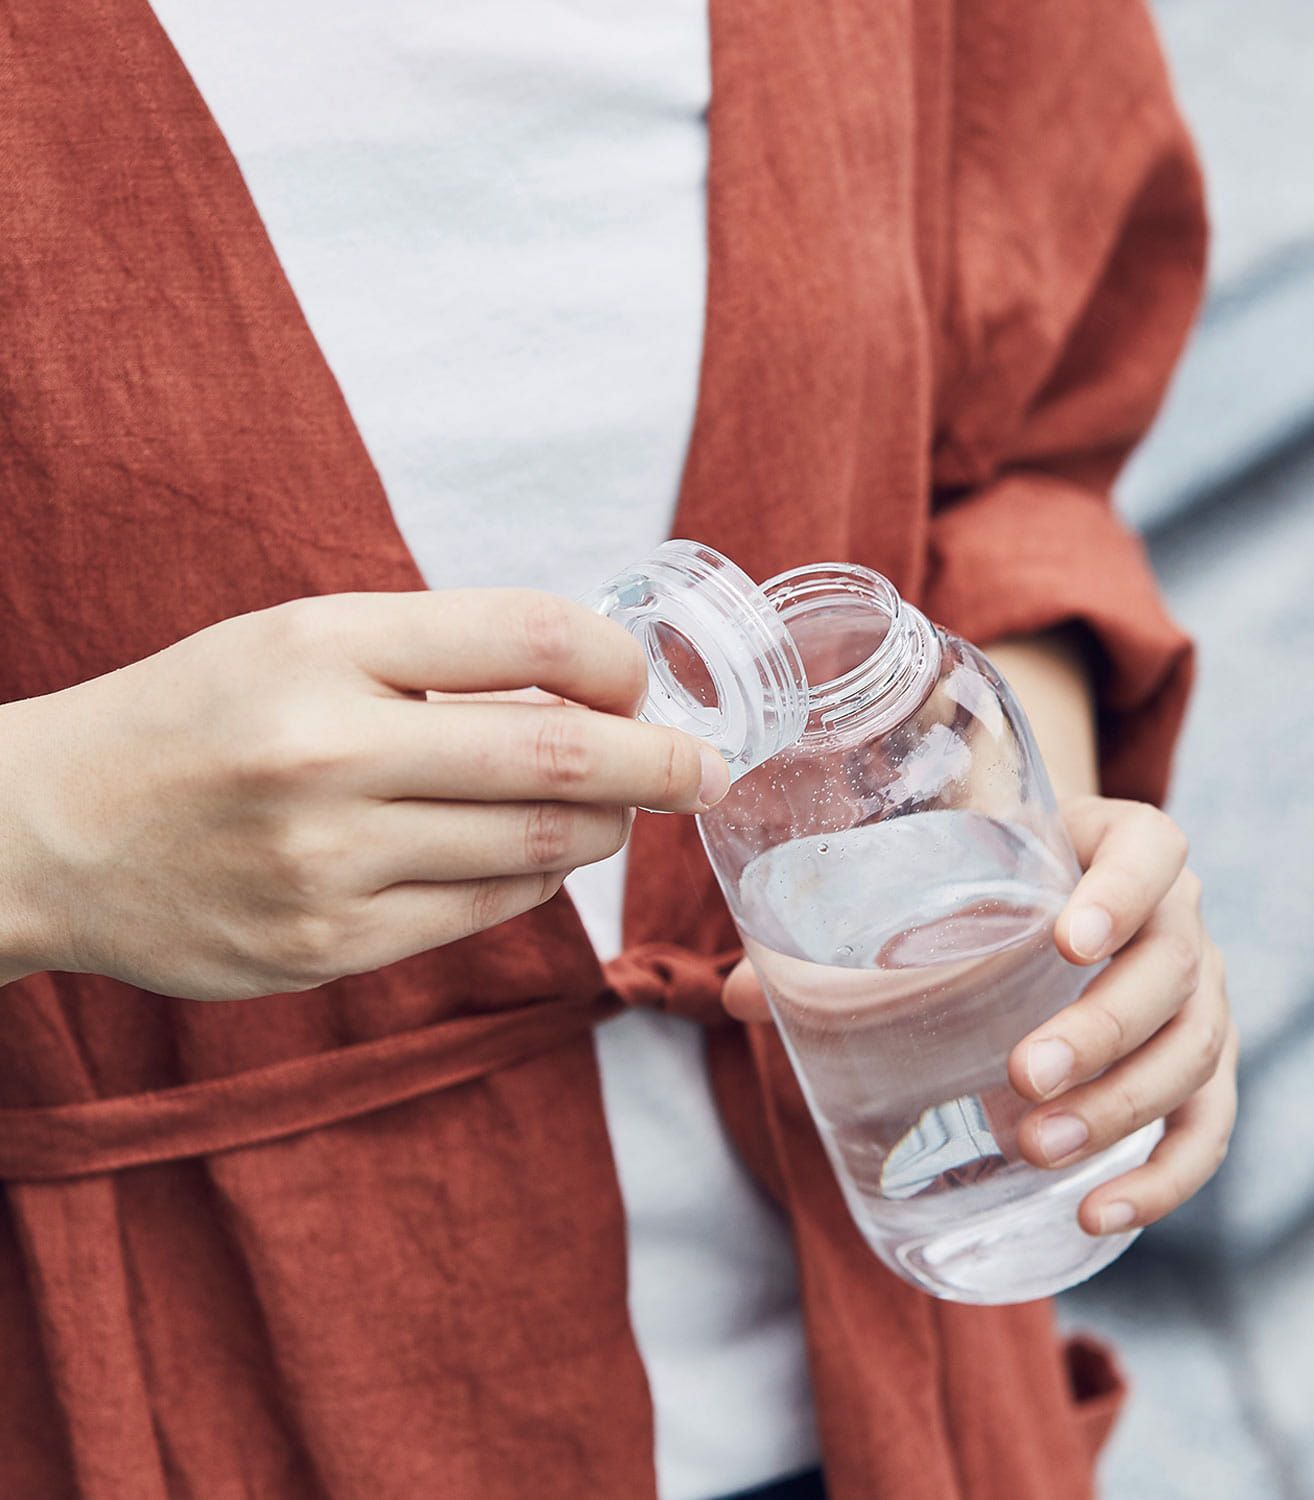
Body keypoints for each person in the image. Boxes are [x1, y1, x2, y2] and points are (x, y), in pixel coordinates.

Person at [0, 2, 1236, 1497]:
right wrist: (42, 842)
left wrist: (1033, 848)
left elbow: (1014, 447)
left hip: (890, 1385)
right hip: (164, 1406)